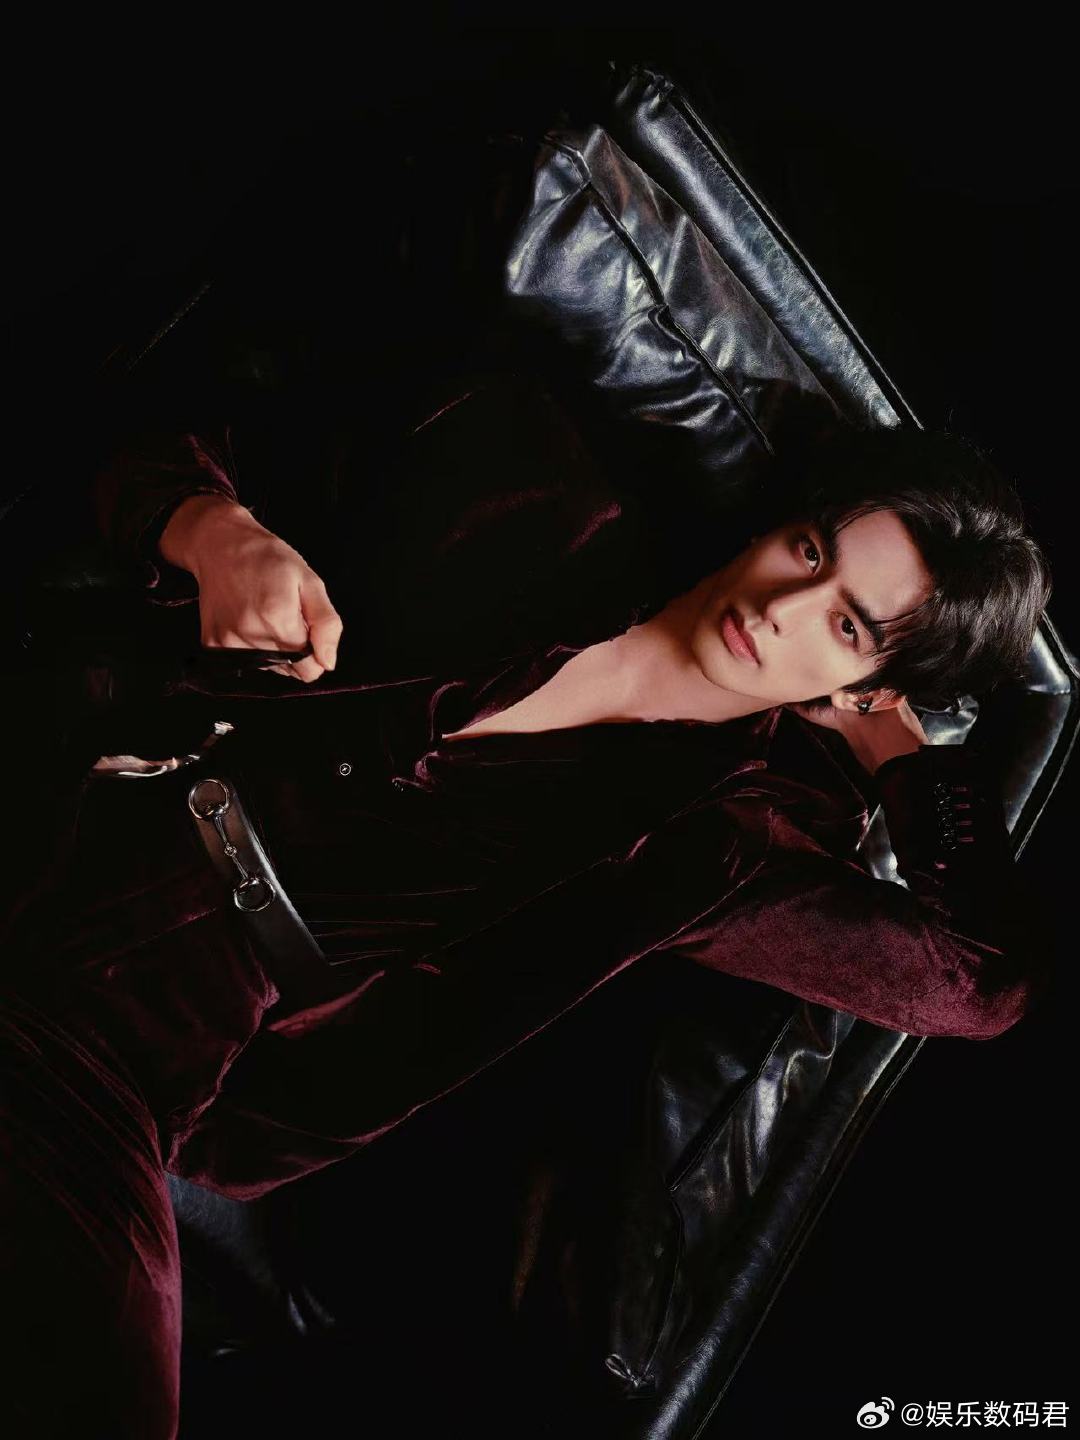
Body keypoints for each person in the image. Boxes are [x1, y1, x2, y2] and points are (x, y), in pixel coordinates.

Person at [0, 373, 1054, 1437]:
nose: (780, 611)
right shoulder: (525, 476)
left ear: (868, 684)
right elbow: (155, 425)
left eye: (847, 626)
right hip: (55, 794)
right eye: (812, 552)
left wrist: (906, 763)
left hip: (124, 1050)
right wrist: (211, 528)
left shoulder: (724, 853)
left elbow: (984, 982)